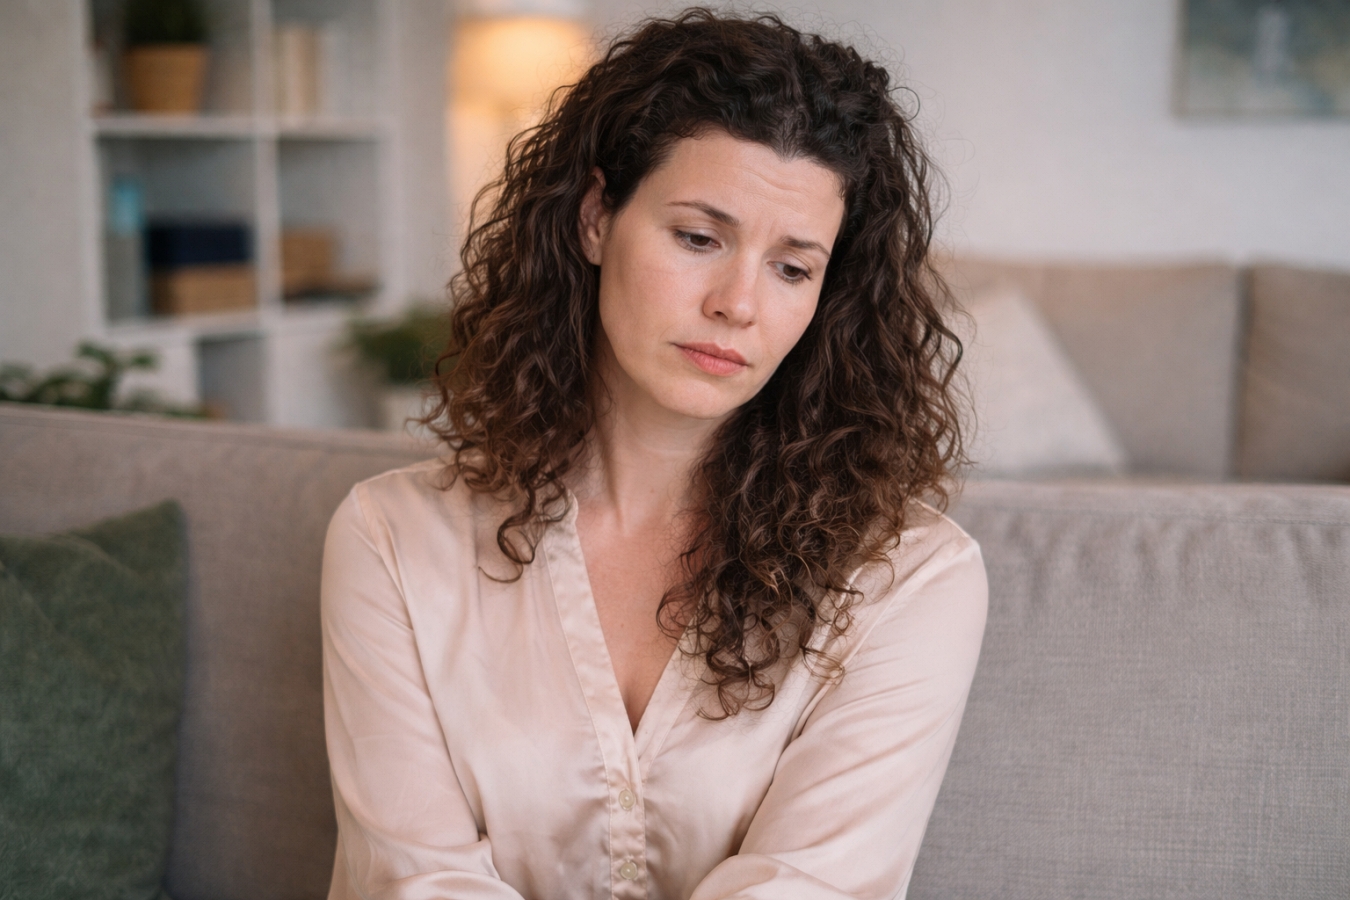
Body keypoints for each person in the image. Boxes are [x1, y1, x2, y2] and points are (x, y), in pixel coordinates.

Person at [320, 9, 987, 900]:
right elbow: (416, 883)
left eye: (792, 268)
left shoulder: (907, 577)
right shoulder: (393, 541)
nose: (738, 304)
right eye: (699, 238)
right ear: (596, 219)